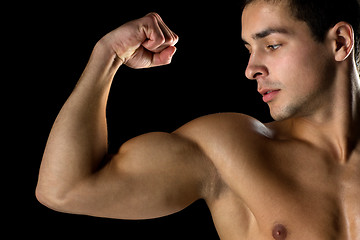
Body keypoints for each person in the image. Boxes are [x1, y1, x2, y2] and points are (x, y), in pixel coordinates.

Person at [36, 0, 360, 239]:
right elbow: (64, 189)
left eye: (272, 45)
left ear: (340, 42)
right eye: (249, 49)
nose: (251, 69)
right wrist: (109, 53)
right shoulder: (232, 149)